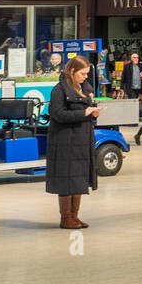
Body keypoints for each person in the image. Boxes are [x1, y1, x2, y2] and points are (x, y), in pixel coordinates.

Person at [45, 54, 99, 229]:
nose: (85, 77)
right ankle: (65, 218)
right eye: (82, 73)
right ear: (73, 71)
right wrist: (83, 113)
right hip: (65, 142)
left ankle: (74, 217)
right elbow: (58, 114)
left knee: (78, 180)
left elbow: (84, 111)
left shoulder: (81, 89)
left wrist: (92, 114)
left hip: (81, 141)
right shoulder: (59, 90)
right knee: (66, 181)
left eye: (86, 74)